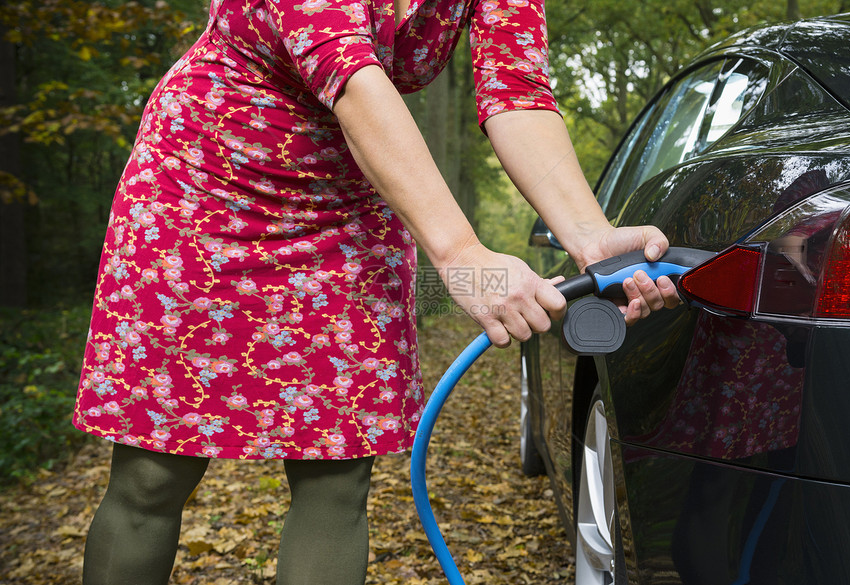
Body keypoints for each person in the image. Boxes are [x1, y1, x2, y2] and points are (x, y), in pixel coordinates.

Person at [73, 0, 678, 582]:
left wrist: (590, 234)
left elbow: (516, 89)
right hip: (204, 190)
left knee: (337, 474)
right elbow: (348, 68)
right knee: (155, 472)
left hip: (348, 210)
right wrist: (464, 258)